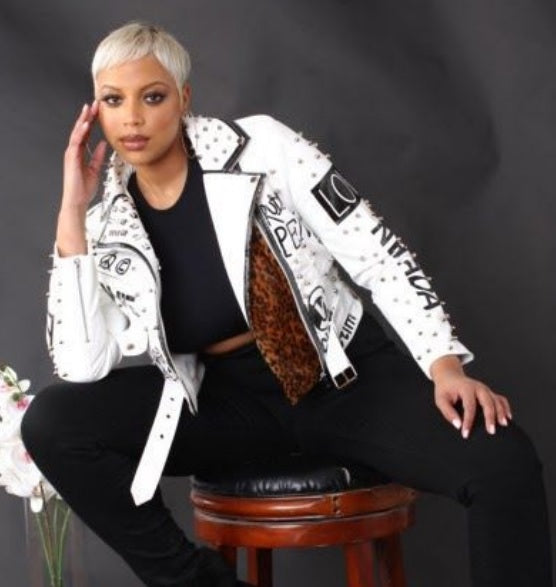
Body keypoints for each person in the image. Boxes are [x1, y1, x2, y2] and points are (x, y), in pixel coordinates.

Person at [21, 21, 552, 587]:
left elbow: (376, 253)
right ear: (96, 110)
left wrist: (444, 364)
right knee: (54, 422)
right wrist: (72, 213)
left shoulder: (262, 148)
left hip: (342, 379)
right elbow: (81, 365)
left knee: (503, 464)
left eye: (152, 97)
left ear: (183, 98)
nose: (132, 118)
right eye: (113, 100)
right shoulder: (105, 223)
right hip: (229, 403)